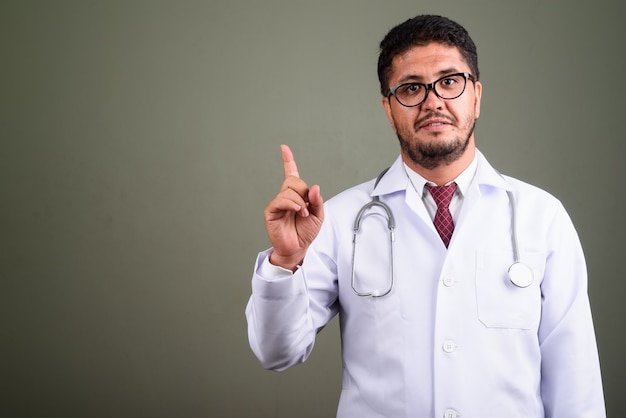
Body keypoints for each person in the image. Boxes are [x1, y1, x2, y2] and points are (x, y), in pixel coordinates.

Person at [245, 14, 605, 417]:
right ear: (388, 108)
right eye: (412, 88)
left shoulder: (542, 217)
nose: (434, 100)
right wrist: (286, 262)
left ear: (477, 96)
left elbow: (576, 384)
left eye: (450, 81)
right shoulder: (340, 219)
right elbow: (276, 352)